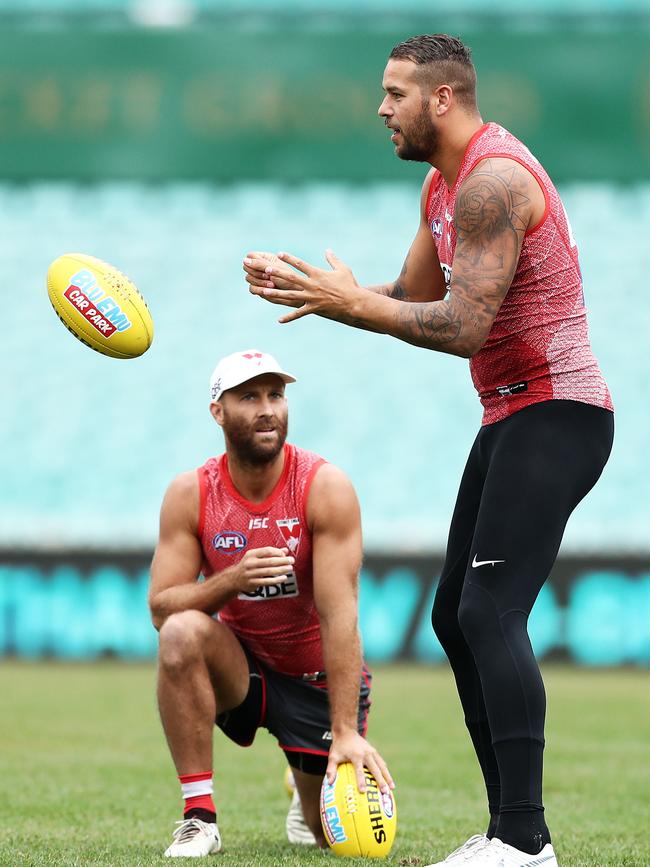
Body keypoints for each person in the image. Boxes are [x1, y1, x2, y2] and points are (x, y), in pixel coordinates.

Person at [243, 33, 614, 867]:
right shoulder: (442, 187)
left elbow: (461, 325)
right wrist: (319, 290)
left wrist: (345, 302)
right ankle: (510, 831)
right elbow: (414, 295)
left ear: (442, 98)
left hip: (560, 411)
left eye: (395, 92)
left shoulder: (492, 181)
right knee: (455, 614)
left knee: (489, 611)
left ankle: (524, 842)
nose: (382, 108)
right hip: (512, 415)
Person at [148, 349, 392, 858]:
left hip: (312, 683)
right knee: (180, 633)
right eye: (249, 397)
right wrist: (232, 579)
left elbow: (340, 614)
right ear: (218, 411)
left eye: (276, 395)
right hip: (242, 669)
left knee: (338, 843)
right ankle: (199, 817)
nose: (268, 409)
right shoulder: (191, 492)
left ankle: (302, 778)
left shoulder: (324, 487)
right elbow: (161, 608)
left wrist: (345, 731)